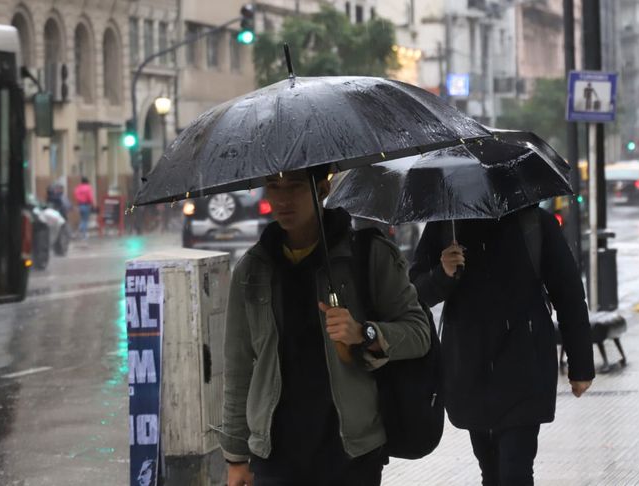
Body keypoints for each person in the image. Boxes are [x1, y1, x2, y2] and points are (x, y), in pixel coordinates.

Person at [218, 167, 431, 486]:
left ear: (322, 189)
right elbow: (238, 368)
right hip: (275, 456)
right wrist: (235, 456)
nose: (282, 198)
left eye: (294, 186)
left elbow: (419, 333)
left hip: (349, 452)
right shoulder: (252, 270)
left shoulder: (367, 255)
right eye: (273, 187)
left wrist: (364, 332)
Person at [410, 206, 595, 486]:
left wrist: (581, 366)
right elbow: (416, 292)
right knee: (491, 471)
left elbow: (568, 294)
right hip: (469, 368)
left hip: (524, 367)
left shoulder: (534, 223)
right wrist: (443, 273)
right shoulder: (446, 226)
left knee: (515, 472)